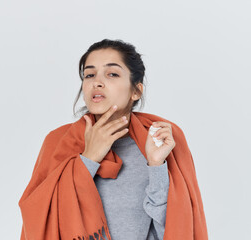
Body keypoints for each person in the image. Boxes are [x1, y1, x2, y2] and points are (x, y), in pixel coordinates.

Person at [19, 39, 208, 240]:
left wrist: (156, 165)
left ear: (136, 91)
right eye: (89, 75)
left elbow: (175, 230)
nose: (96, 82)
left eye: (112, 74)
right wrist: (88, 159)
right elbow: (41, 220)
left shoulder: (160, 139)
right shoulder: (58, 142)